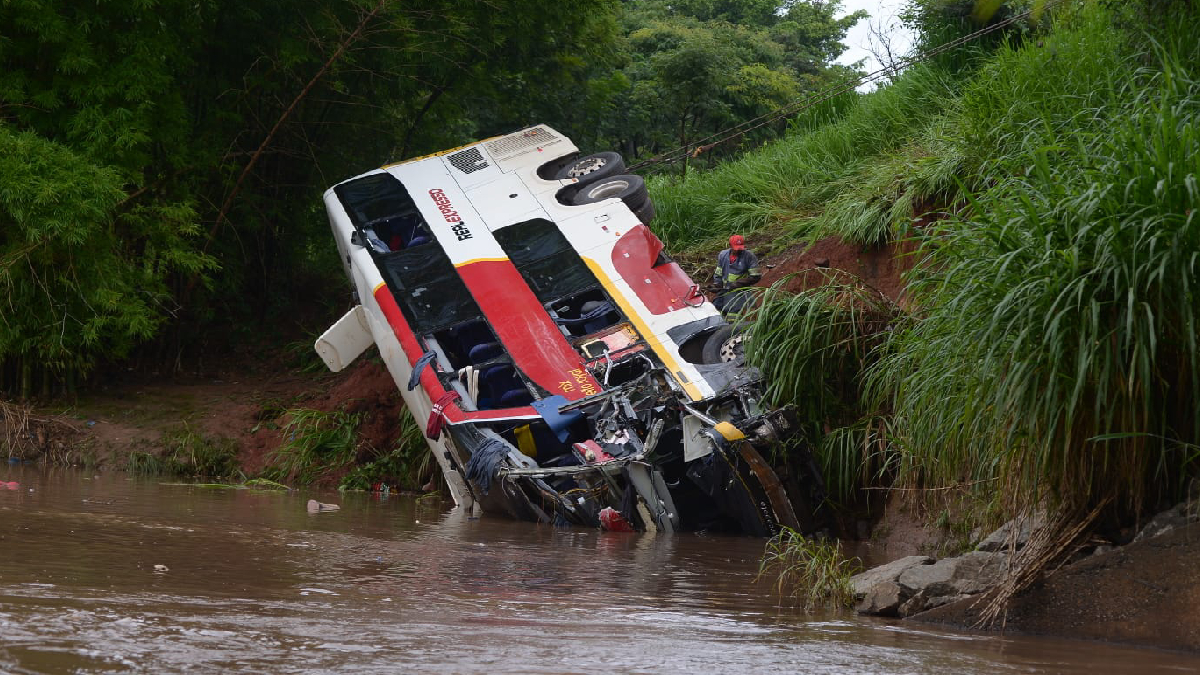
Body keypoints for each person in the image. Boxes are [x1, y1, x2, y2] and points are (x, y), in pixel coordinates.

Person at [711, 234, 762, 312]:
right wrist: (716, 285)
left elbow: (756, 276)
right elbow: (718, 273)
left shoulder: (749, 256)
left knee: (732, 311)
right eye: (736, 248)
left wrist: (739, 283)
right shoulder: (723, 255)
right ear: (730, 246)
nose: (738, 250)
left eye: (740, 248)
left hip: (740, 291)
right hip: (725, 290)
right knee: (716, 309)